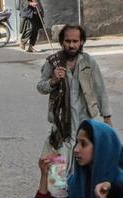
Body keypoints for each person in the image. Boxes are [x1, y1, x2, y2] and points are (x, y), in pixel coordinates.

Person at [37, 24, 111, 175]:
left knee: (83, 166)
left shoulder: (89, 62)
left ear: (82, 42)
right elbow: (40, 87)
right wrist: (53, 80)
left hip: (84, 122)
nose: (72, 45)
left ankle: (80, 195)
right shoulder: (53, 62)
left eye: (75, 41)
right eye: (68, 41)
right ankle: (58, 196)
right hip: (62, 125)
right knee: (58, 168)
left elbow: (100, 89)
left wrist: (107, 117)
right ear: (62, 42)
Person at [35, 120, 123, 198]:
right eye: (77, 143)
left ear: (101, 148)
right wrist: (44, 175)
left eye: (83, 144)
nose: (76, 149)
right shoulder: (76, 180)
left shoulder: (121, 185)